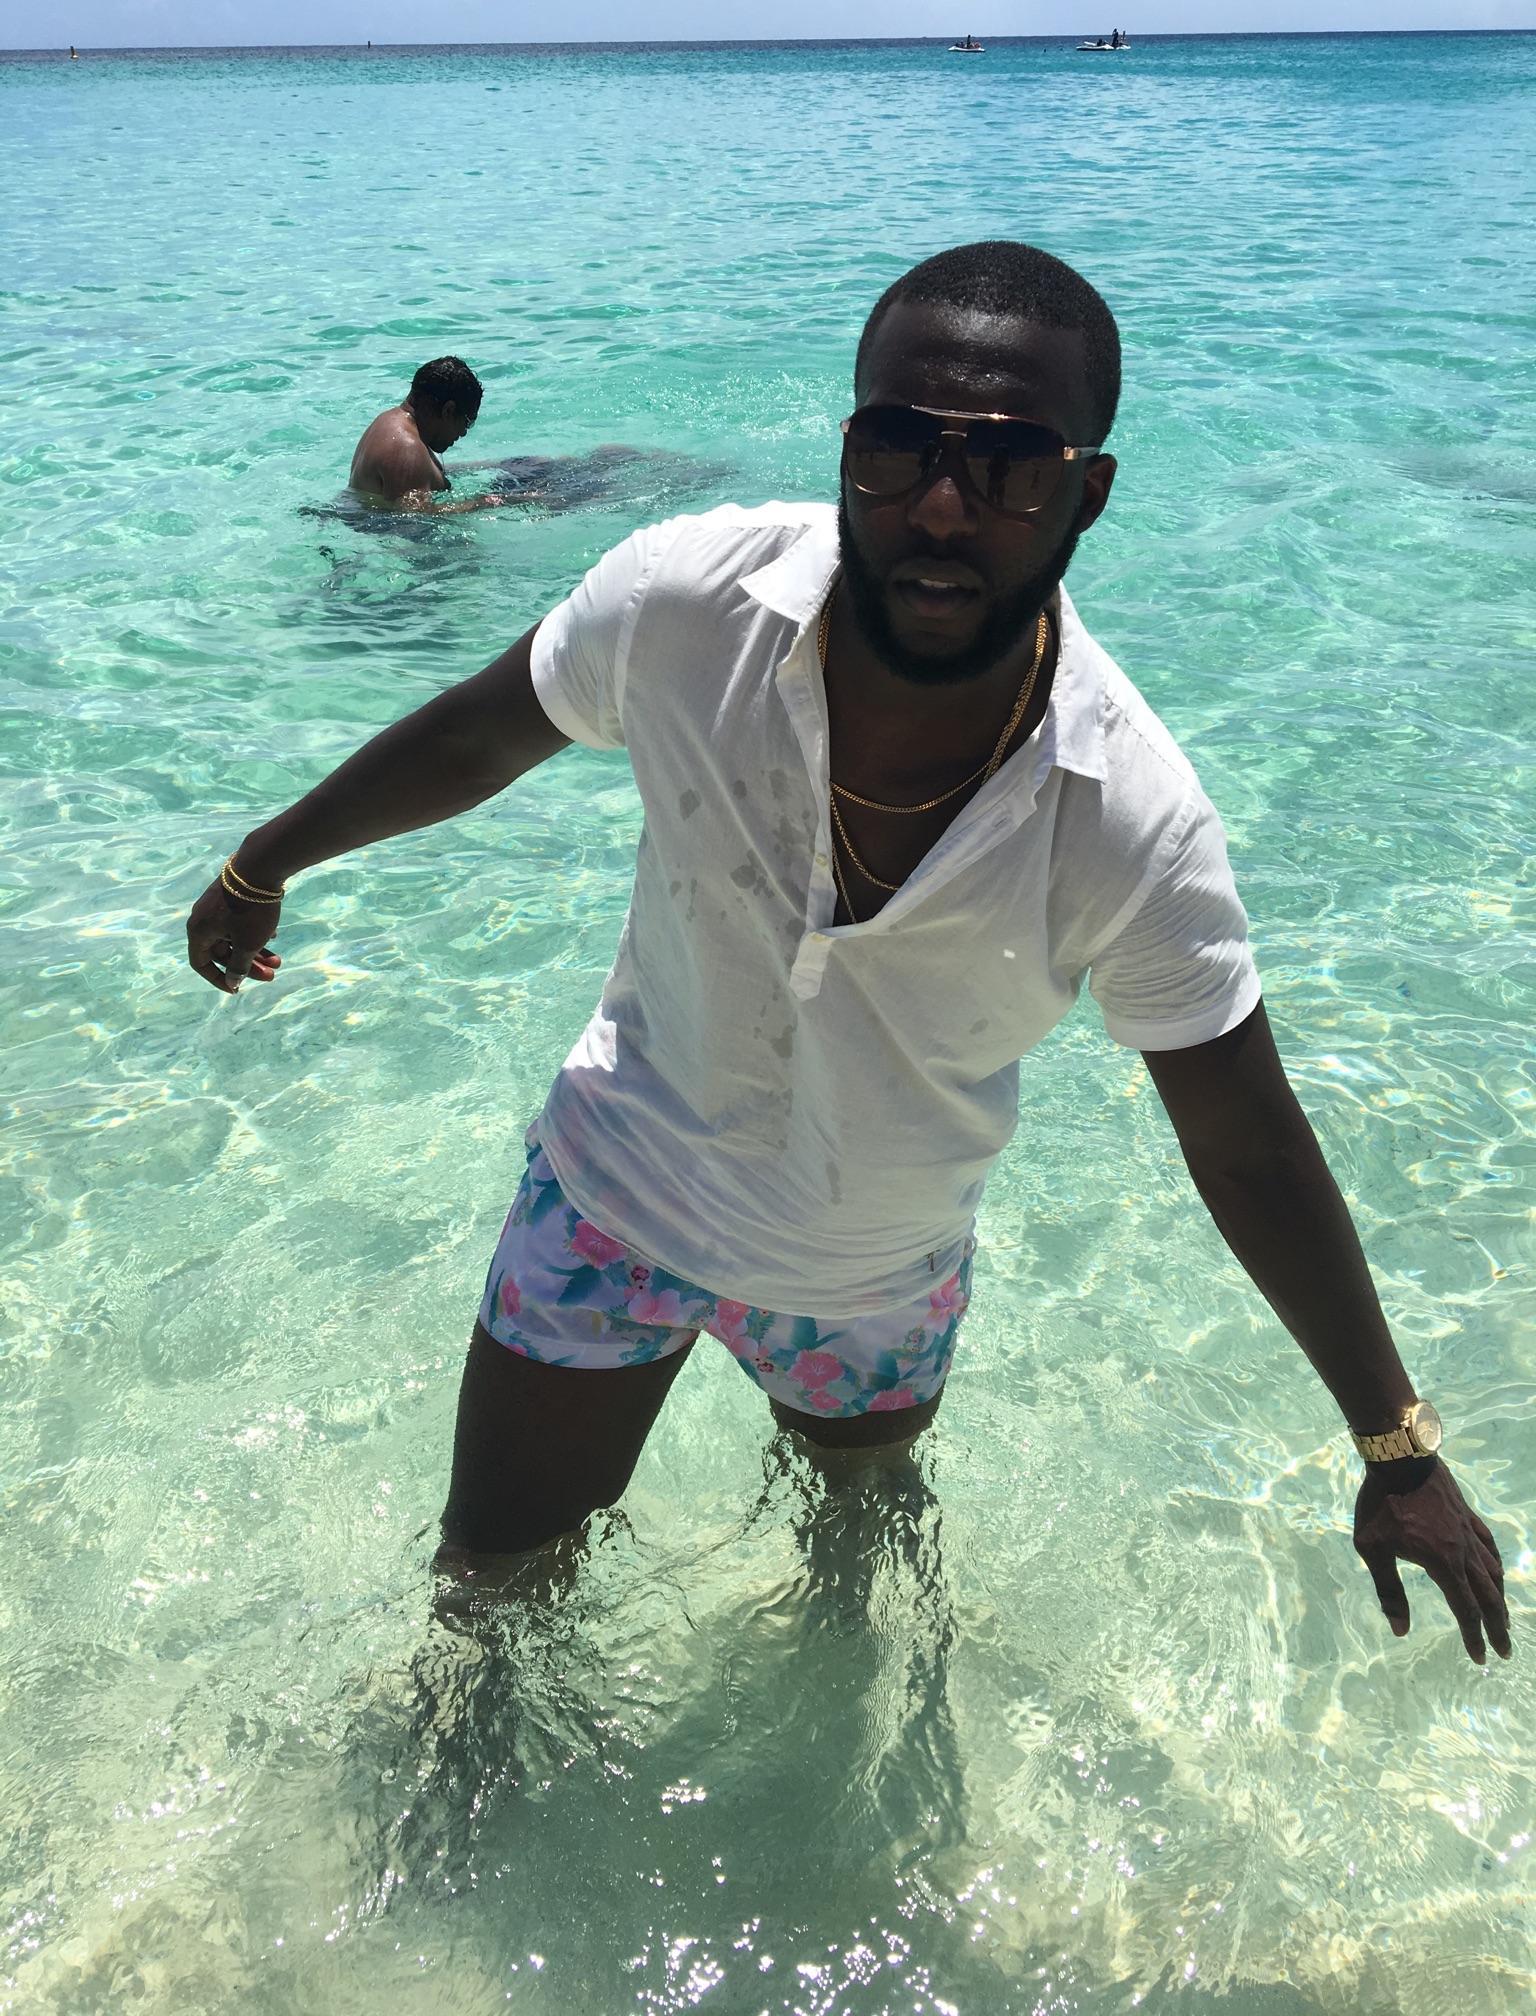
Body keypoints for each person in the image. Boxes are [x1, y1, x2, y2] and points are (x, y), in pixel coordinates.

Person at [188, 241, 1510, 1665]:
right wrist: (264, 860)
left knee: (857, 1571)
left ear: (1089, 493)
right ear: (845, 450)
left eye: (1009, 466)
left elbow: (1243, 1140)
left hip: (875, 1269)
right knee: (485, 1603)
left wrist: (1397, 1445)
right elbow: (482, 731)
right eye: (895, 448)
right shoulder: (683, 604)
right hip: (616, 1198)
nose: (940, 506)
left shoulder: (1131, 816)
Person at [347, 355, 504, 512]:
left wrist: (484, 466)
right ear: (448, 410)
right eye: (468, 422)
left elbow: (421, 473)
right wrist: (486, 502)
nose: (463, 432)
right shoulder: (407, 447)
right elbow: (416, 515)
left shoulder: (390, 421)